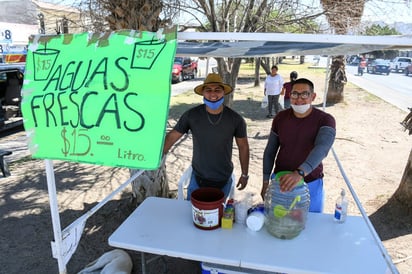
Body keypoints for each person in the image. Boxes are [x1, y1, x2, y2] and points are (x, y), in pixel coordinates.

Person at [163, 73, 250, 199]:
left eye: (217, 90)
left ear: (223, 93)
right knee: (192, 214)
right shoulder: (191, 115)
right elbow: (172, 137)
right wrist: (157, 159)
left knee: (220, 217)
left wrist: (245, 174)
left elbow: (243, 147)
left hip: (224, 179)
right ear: (203, 93)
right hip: (198, 178)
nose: (213, 94)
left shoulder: (235, 119)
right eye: (208, 90)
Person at [261, 78, 336, 213]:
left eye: (305, 94)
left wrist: (300, 173)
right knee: (279, 221)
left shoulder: (325, 119)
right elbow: (270, 151)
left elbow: (322, 148)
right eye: (295, 94)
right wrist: (266, 180)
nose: (299, 99)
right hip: (280, 182)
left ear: (313, 96)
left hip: (310, 183)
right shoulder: (280, 117)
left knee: (310, 224)